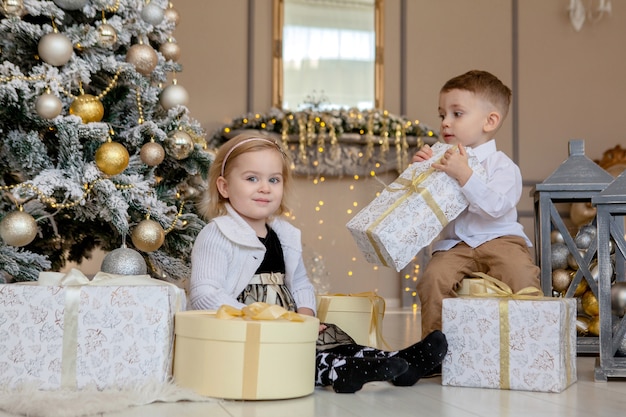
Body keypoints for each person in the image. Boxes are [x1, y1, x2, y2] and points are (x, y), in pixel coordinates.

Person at [190, 132, 448, 393]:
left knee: (330, 338)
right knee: (287, 358)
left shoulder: (283, 234)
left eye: (274, 180)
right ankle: (340, 371)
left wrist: (305, 316)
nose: (265, 187)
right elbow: (204, 294)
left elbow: (300, 282)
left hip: (289, 324)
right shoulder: (217, 234)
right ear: (224, 187)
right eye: (251, 179)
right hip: (245, 330)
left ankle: (396, 362)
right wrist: (255, 318)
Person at [412, 70, 541, 343]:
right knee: (432, 279)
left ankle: (530, 342)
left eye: (457, 114)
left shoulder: (503, 166)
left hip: (500, 240)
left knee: (521, 274)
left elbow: (495, 206)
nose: (445, 122)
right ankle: (433, 351)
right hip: (456, 245)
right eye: (442, 114)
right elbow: (423, 211)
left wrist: (464, 175)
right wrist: (419, 173)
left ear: (489, 121)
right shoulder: (441, 163)